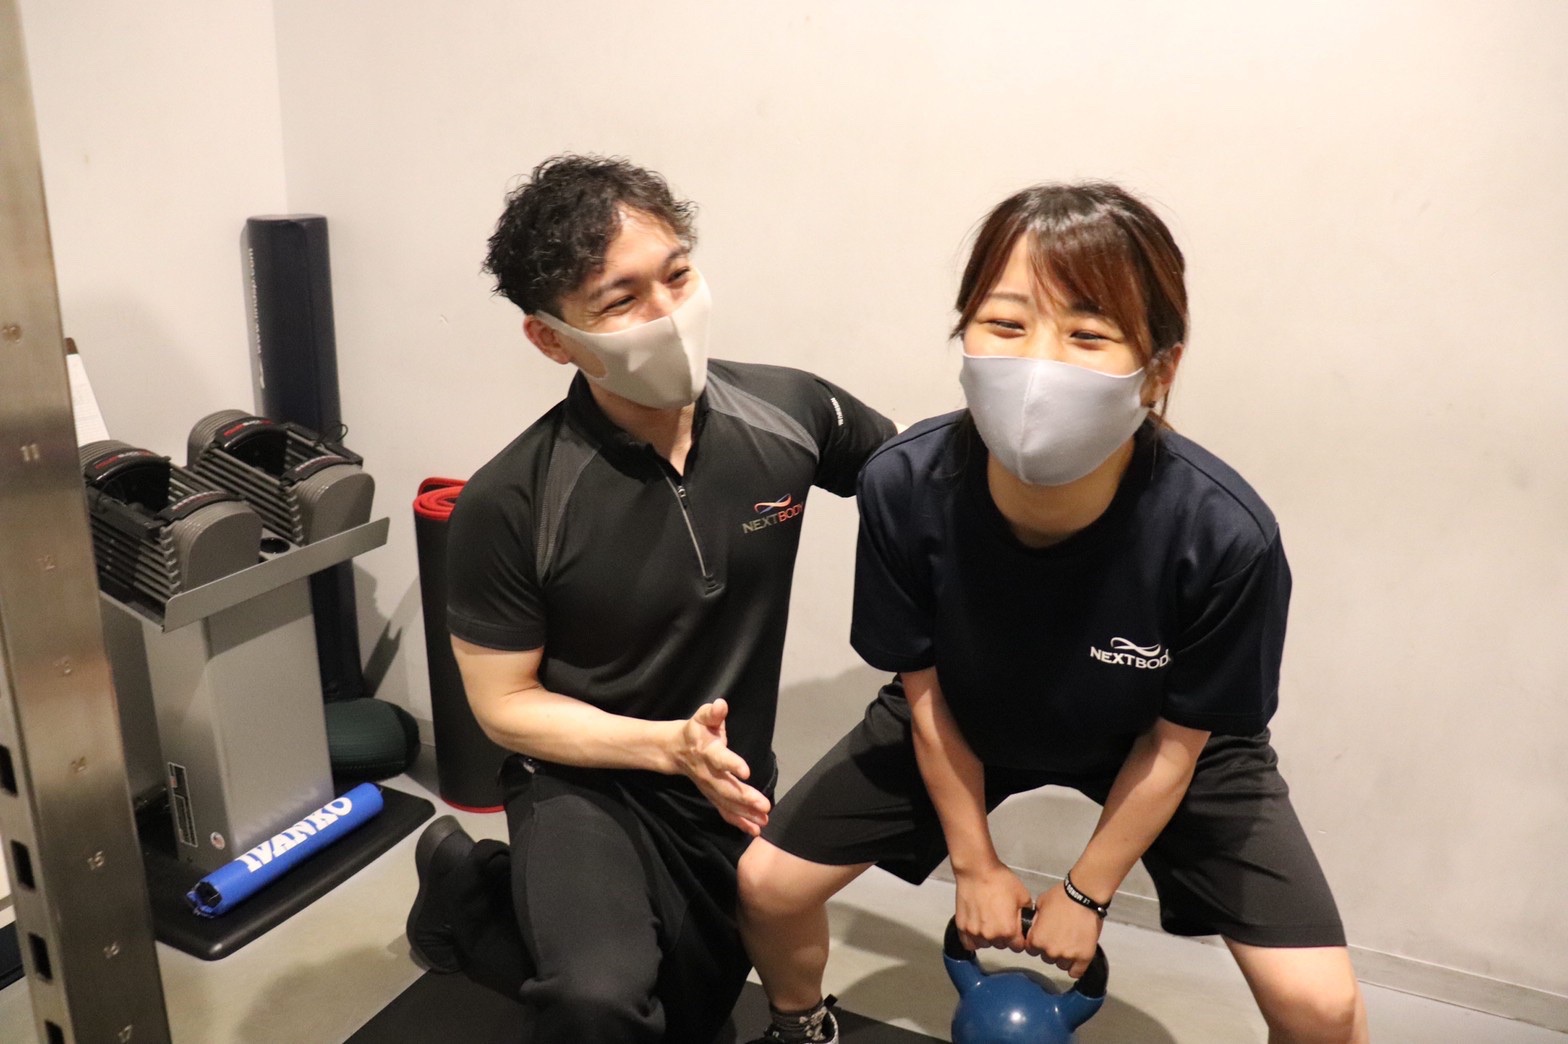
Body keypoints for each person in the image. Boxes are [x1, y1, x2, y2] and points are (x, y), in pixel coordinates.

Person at [737, 183, 1369, 1044]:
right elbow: (922, 691)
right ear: (964, 338)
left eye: (1088, 334)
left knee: (1321, 1007)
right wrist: (973, 864)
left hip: (1164, 743)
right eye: (1005, 324)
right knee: (767, 886)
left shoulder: (1224, 533)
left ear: (1160, 370)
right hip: (966, 711)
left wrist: (1084, 893)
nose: (1039, 364)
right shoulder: (902, 484)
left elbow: (1180, 743)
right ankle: (801, 1025)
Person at [403, 154, 895, 1043]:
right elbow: (504, 706)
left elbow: (921, 485)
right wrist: (665, 746)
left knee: (687, 1021)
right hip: (584, 788)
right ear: (552, 339)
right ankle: (474, 895)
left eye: (677, 275)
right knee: (601, 1004)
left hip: (726, 784)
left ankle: (478, 893)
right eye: (620, 300)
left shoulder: (789, 412)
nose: (667, 314)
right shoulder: (511, 500)